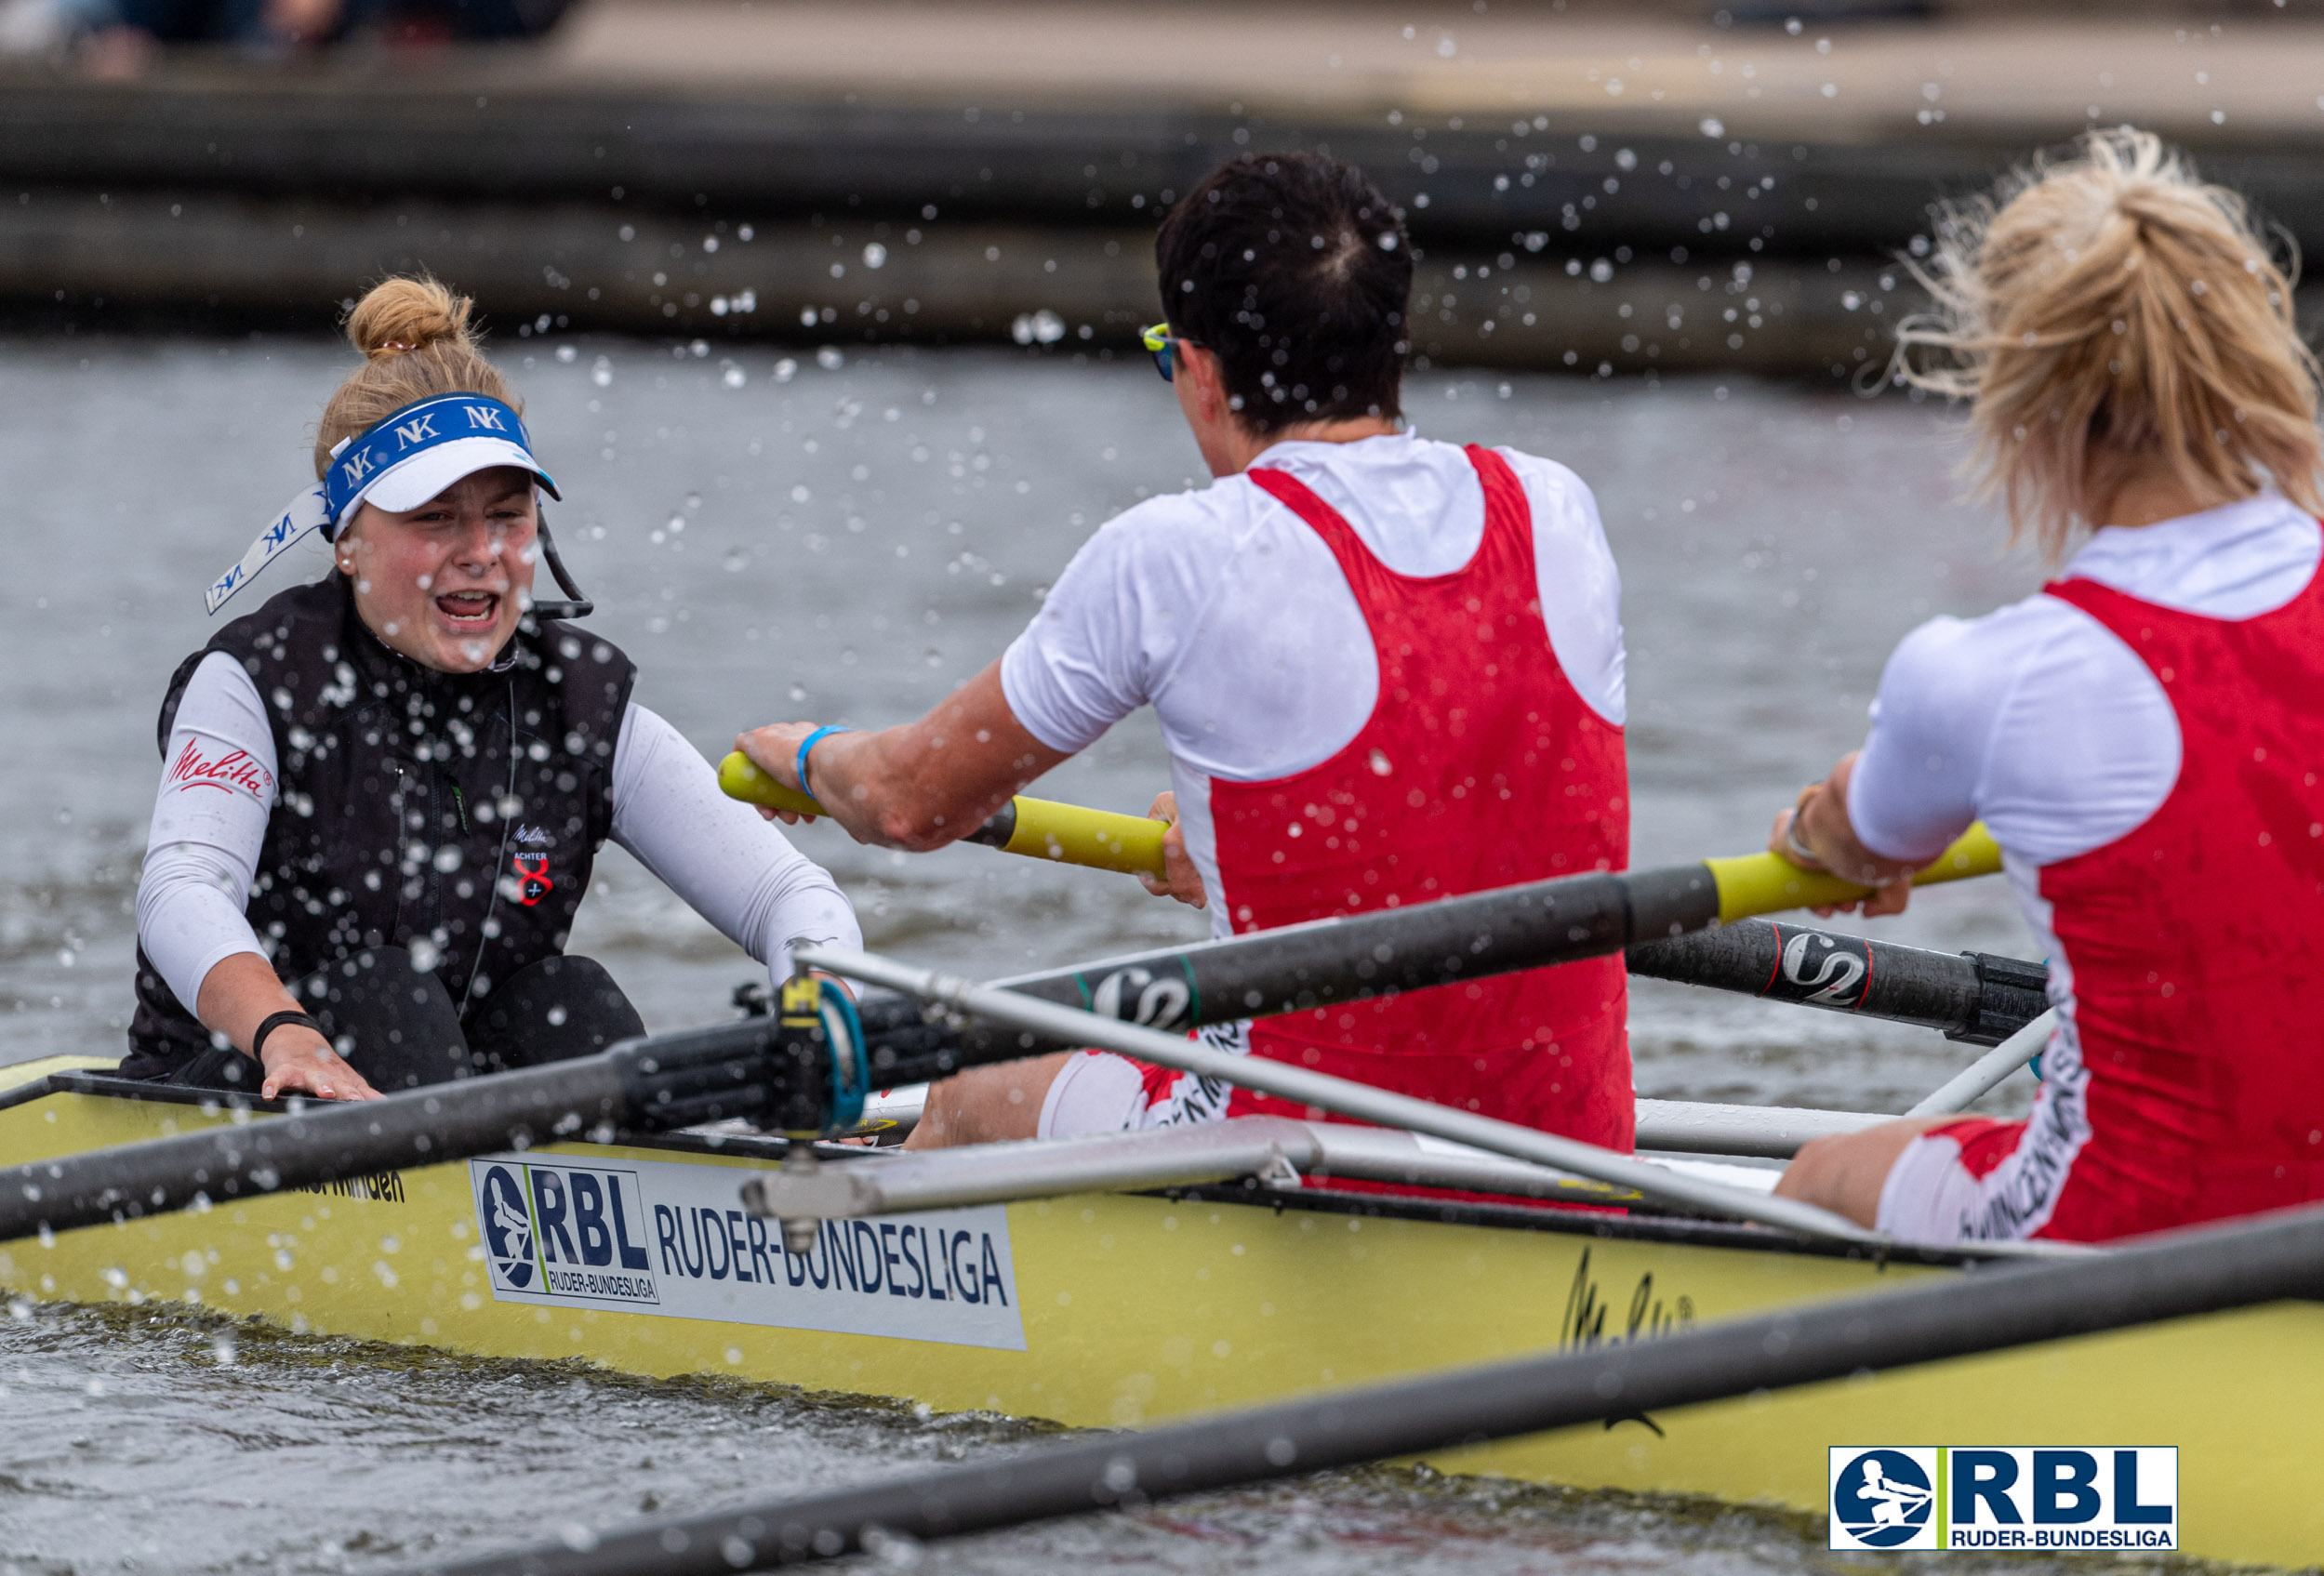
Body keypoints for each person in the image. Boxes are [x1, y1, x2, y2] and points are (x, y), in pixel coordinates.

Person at [737, 152, 1631, 1153]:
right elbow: (1451, 803)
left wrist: (807, 755)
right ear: (1395, 344)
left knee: (968, 1088)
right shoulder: (1553, 508)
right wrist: (1233, 849)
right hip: (1571, 1139)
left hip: (1300, 1165)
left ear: (1200, 372)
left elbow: (908, 801)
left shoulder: (1179, 552)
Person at [1769, 129, 2324, 1244]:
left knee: (1827, 1173)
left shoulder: (1987, 672)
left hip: (2135, 1225)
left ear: (2028, 400)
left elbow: (1862, 840)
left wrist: (1832, 831)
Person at [125, 276, 860, 1102]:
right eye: (435, 519)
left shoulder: (578, 702)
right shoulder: (254, 680)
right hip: (242, 1083)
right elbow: (180, 892)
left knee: (572, 1005)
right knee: (386, 997)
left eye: (506, 517)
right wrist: (283, 1031)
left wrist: (821, 1014)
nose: (481, 552)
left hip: (446, 1092)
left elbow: (785, 894)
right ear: (348, 542)